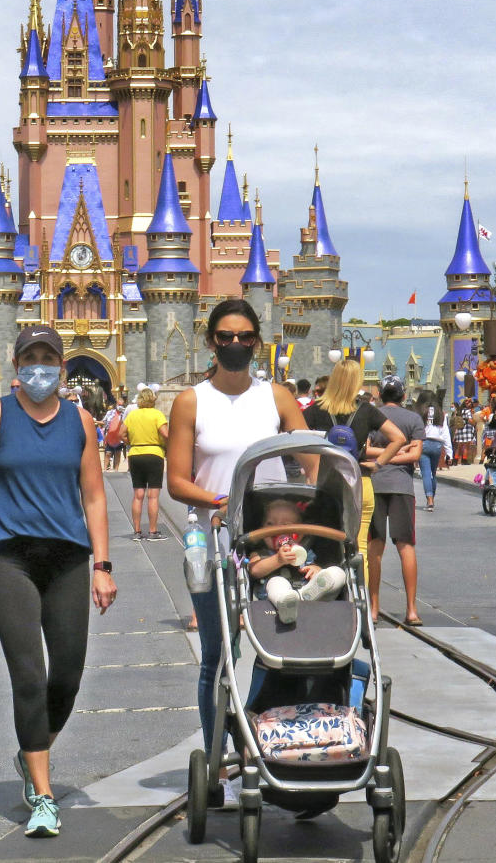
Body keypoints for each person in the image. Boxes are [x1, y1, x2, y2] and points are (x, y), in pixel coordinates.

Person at [0, 325, 116, 839]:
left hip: (67, 559)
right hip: (9, 558)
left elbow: (93, 495)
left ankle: (31, 749)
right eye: (30, 358)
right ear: (16, 365)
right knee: (28, 674)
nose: (39, 367)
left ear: (62, 367)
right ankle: (43, 794)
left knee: (67, 673)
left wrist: (103, 567)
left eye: (48, 358)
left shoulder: (80, 420)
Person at [166, 298, 318, 807]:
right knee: (217, 653)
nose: (235, 345)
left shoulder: (274, 396)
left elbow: (311, 457)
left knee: (277, 646)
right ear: (211, 341)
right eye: (225, 337)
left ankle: (255, 731)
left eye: (245, 337)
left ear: (257, 341)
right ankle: (214, 764)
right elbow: (177, 481)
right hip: (215, 542)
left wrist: (301, 507)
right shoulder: (192, 401)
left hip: (272, 540)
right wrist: (219, 500)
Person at [303, 359, 405, 561]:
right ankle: (359, 592)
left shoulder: (316, 410)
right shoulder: (366, 411)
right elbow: (399, 438)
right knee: (359, 550)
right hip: (358, 481)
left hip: (325, 483)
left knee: (324, 545)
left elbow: (295, 437)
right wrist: (378, 464)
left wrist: (309, 466)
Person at [365, 376, 424, 625]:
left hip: (374, 483)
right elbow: (415, 455)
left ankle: (374, 608)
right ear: (402, 396)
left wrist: (382, 459)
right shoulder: (413, 419)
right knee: (406, 546)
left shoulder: (371, 415)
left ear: (379, 394)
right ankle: (411, 610)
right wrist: (401, 450)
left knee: (374, 549)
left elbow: (365, 450)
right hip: (402, 487)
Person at [247, 499, 346, 624]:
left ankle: (304, 596)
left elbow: (313, 566)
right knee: (276, 582)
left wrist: (316, 571)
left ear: (299, 534)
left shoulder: (304, 552)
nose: (277, 529)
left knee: (338, 574)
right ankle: (287, 603)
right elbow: (254, 570)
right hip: (273, 601)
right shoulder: (261, 552)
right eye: (270, 524)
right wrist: (278, 560)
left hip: (309, 594)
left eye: (286, 524)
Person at [121, 387, 169, 540]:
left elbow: (121, 433)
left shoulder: (132, 415)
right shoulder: (157, 414)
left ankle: (137, 531)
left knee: (138, 494)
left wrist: (132, 442)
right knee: (153, 496)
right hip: (154, 454)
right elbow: (165, 433)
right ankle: (153, 531)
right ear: (152, 400)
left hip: (135, 454)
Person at [414, 390, 453, 511]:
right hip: (437, 445)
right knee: (433, 473)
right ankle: (432, 499)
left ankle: (429, 500)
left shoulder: (419, 413)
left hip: (423, 443)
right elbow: (445, 434)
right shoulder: (440, 414)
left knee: (426, 473)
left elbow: (415, 431)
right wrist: (449, 453)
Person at [101, 399, 126, 471]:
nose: (120, 406)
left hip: (119, 437)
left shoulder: (124, 414)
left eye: (121, 405)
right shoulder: (110, 412)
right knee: (108, 453)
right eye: (119, 405)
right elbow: (104, 421)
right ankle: (105, 469)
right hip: (110, 436)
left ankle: (116, 470)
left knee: (118, 454)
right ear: (116, 405)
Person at [452, 397, 477, 465]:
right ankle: (464, 460)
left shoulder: (460, 410)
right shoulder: (468, 411)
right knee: (466, 446)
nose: (469, 404)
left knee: (459, 446)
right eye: (469, 403)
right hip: (467, 429)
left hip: (460, 429)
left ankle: (455, 460)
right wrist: (475, 423)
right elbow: (470, 420)